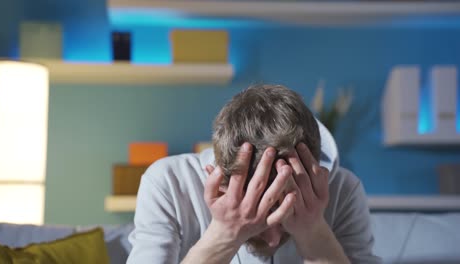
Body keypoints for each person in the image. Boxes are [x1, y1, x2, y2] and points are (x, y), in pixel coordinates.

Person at [126, 84, 382, 264]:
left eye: (285, 213)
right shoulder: (167, 182)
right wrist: (226, 233)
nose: (271, 240)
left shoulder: (344, 190)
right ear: (218, 179)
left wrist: (313, 232)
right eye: (255, 210)